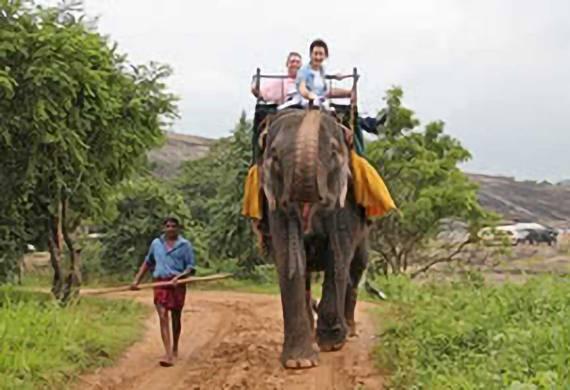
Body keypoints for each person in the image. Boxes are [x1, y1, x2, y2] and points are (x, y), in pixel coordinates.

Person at [131, 217, 196, 367]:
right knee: (162, 315)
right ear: (163, 228)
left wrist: (179, 277)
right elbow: (148, 262)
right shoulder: (156, 244)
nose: (170, 229)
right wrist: (137, 280)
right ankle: (167, 353)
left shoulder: (185, 245)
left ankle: (175, 347)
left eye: (173, 226)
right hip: (160, 282)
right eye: (167, 226)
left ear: (178, 229)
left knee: (176, 316)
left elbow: (190, 267)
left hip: (177, 284)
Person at [295, 39, 353, 108]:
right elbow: (302, 89)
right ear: (311, 55)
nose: (318, 57)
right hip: (307, 102)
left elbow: (326, 90)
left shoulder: (322, 70)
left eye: (321, 54)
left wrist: (349, 92)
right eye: (315, 54)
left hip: (322, 102)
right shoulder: (304, 71)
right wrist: (311, 96)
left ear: (325, 56)